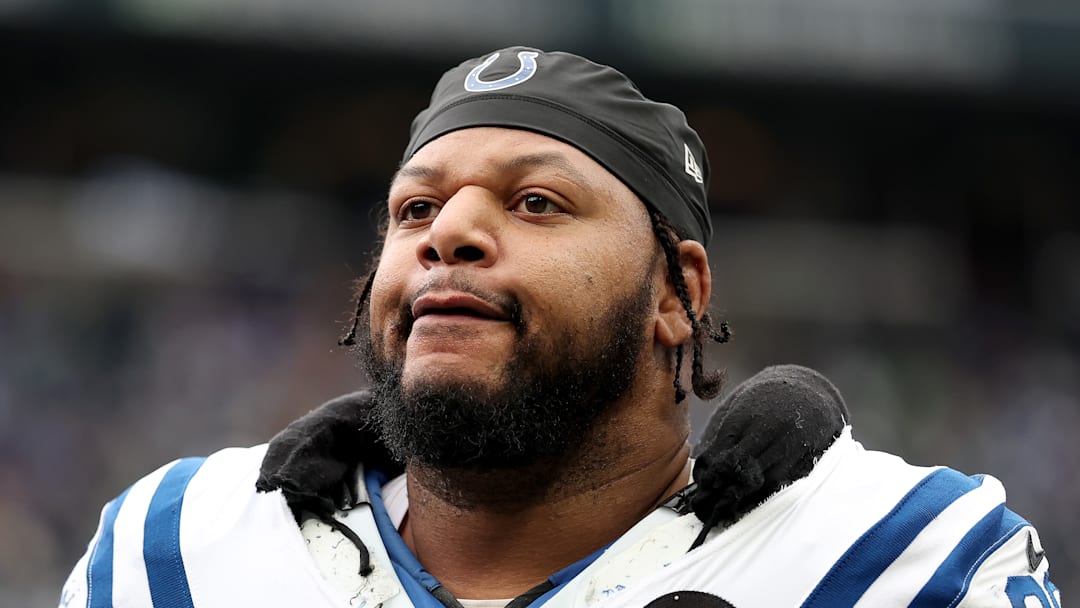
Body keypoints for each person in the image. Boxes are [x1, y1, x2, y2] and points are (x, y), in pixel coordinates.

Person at [60, 47, 1058, 608]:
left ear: (680, 291)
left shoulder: (904, 560)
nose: (448, 232)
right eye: (415, 210)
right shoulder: (178, 549)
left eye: (536, 203)